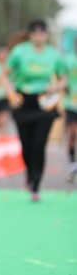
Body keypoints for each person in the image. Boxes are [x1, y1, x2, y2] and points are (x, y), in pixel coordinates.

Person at [0, 19, 67, 202]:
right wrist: (10, 93)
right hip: (23, 102)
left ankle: (36, 185)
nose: (39, 35)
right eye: (35, 31)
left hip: (45, 103)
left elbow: (63, 78)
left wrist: (56, 87)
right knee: (27, 146)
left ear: (46, 34)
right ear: (30, 34)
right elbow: (4, 75)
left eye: (42, 31)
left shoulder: (54, 55)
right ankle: (30, 174)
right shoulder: (20, 52)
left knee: (39, 145)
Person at [63, 36, 77, 182]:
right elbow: (60, 78)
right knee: (73, 135)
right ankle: (73, 167)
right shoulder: (68, 61)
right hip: (71, 104)